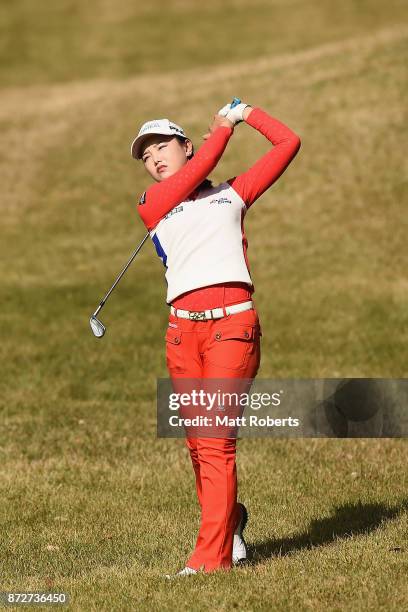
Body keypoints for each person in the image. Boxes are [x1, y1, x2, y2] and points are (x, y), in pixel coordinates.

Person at [130, 100, 301, 576]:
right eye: (147, 155)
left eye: (163, 146)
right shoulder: (152, 203)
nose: (155, 158)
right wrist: (221, 129)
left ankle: (210, 560)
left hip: (232, 328)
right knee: (197, 443)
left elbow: (289, 143)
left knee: (214, 441)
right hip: (182, 334)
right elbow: (204, 164)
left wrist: (249, 113)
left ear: (186, 145)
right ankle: (232, 521)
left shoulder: (234, 193)